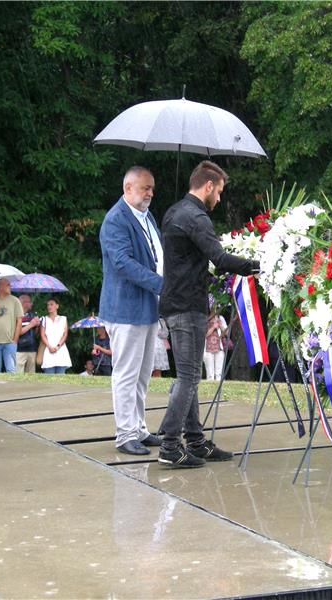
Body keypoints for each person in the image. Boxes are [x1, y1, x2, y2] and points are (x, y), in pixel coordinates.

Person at [158, 160, 260, 468]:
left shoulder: (174, 211)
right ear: (209, 186)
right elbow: (219, 258)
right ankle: (171, 446)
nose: (220, 199)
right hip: (187, 306)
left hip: (176, 302)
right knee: (189, 377)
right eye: (220, 192)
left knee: (187, 376)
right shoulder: (197, 217)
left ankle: (196, 440)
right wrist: (256, 264)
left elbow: (191, 262)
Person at [99, 166, 164, 456]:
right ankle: (125, 434)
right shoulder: (115, 220)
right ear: (127, 188)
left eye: (151, 187)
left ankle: (138, 428)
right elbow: (123, 264)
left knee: (142, 375)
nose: (149, 192)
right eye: (144, 187)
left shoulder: (146, 217)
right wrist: (162, 284)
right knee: (126, 374)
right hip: (124, 309)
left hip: (148, 308)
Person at [40, 297, 71, 374]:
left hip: (61, 350)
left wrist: (58, 346)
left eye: (51, 304)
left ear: (57, 306)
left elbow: (65, 334)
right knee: (48, 377)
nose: (49, 307)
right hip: (48, 349)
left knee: (61, 378)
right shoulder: (44, 319)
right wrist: (49, 346)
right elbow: (42, 335)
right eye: (48, 305)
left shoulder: (63, 319)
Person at [16, 294, 41, 373]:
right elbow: (17, 333)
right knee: (18, 375)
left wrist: (37, 326)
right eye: (30, 302)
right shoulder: (16, 315)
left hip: (32, 349)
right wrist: (31, 325)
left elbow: (36, 334)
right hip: (19, 350)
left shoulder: (33, 315)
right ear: (24, 303)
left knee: (31, 376)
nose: (32, 304)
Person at [203, 310, 228, 381]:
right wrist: (213, 327)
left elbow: (227, 333)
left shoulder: (221, 318)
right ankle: (210, 390)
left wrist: (220, 325)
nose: (214, 309)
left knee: (219, 373)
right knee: (210, 373)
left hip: (219, 348)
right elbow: (203, 335)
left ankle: (219, 389)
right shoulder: (205, 318)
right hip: (207, 349)